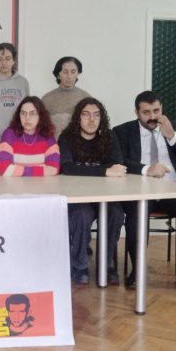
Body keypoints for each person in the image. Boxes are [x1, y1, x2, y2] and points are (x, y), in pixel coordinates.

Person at [113, 90, 176, 294]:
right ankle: (137, 268)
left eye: (156, 111)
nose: (152, 117)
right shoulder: (123, 131)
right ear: (136, 112)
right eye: (146, 112)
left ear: (161, 109)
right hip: (141, 191)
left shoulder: (174, 128)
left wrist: (172, 137)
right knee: (138, 209)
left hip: (173, 190)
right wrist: (147, 169)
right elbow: (118, 161)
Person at [58, 98, 126, 285]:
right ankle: (80, 265)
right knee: (82, 215)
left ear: (101, 118)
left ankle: (106, 263)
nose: (91, 120)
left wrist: (104, 170)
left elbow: (118, 165)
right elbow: (67, 168)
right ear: (78, 117)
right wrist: (104, 171)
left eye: (96, 115)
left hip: (105, 196)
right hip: (78, 197)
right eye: (86, 114)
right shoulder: (67, 137)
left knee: (116, 214)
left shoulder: (109, 137)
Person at [0, 96, 59, 176]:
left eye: (32, 113)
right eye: (23, 113)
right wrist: (42, 169)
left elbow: (54, 169)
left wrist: (16, 170)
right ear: (18, 115)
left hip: (41, 184)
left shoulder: (48, 136)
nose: (27, 118)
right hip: (14, 183)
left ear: (41, 116)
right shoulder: (9, 134)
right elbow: (4, 169)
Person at [42, 56, 92, 139]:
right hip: (53, 144)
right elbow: (41, 127)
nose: (69, 76)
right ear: (58, 75)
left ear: (78, 73)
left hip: (79, 145)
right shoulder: (47, 99)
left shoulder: (86, 98)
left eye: (73, 72)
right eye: (65, 72)